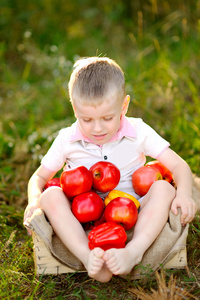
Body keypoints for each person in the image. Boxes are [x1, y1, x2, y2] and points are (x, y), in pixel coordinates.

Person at [23, 56, 197, 283]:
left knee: (164, 189)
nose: (97, 128)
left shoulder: (138, 131)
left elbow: (178, 165)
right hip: (82, 219)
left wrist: (184, 193)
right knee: (50, 195)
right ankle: (88, 256)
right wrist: (34, 201)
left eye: (107, 118)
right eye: (86, 119)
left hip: (133, 211)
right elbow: (39, 176)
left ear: (124, 106)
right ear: (74, 108)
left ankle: (134, 251)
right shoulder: (67, 139)